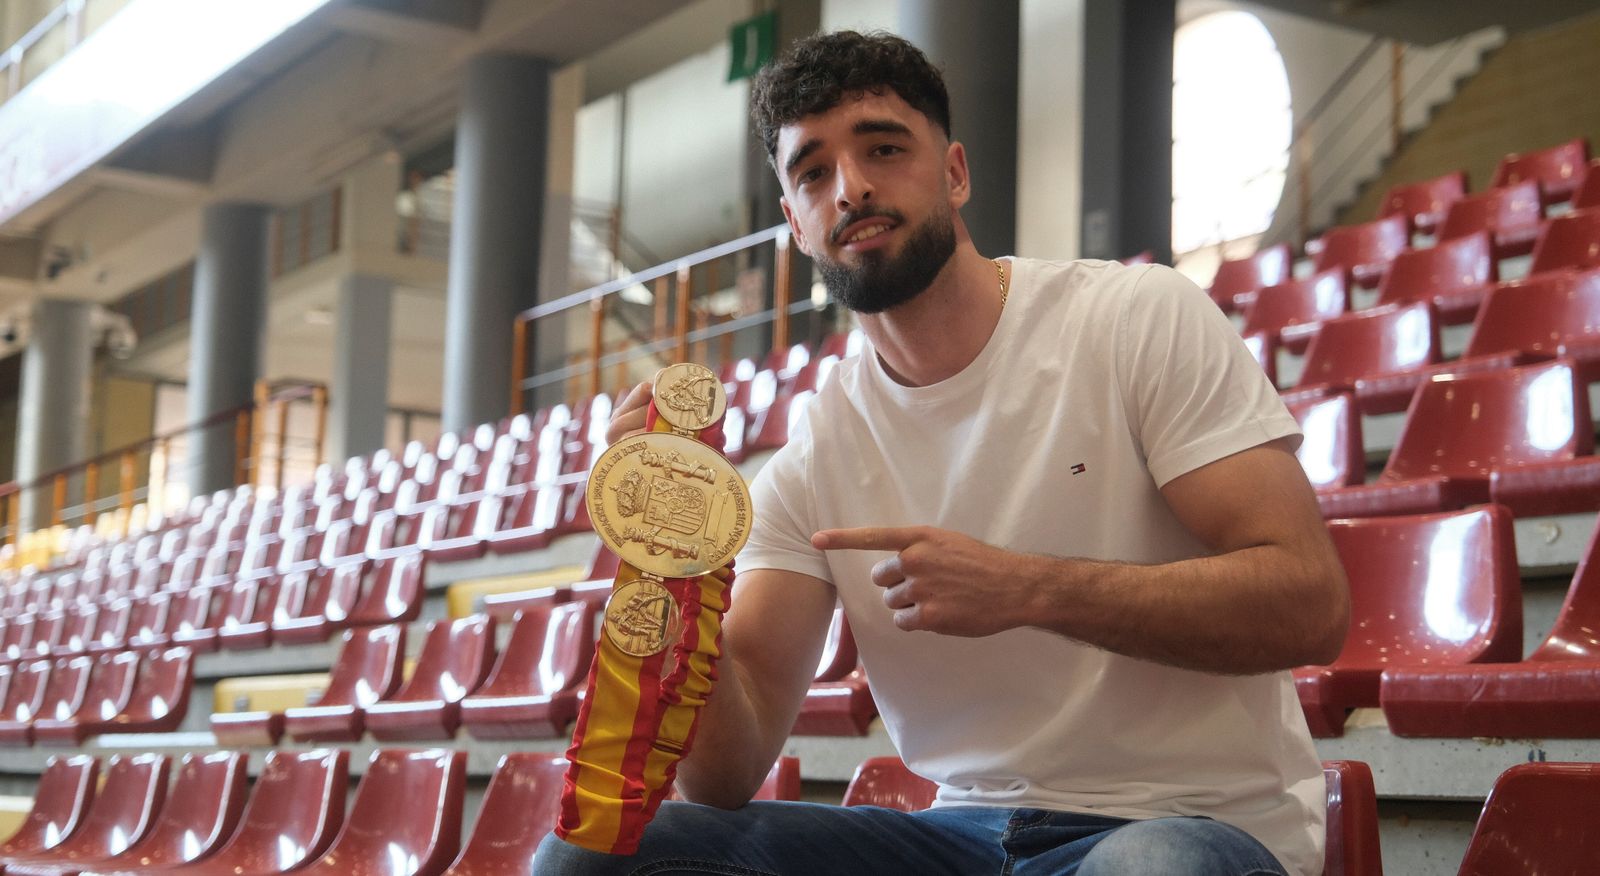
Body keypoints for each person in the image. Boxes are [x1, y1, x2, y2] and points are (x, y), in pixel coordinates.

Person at [537, 30, 1349, 876]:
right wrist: (670, 575)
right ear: (796, 226)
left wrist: (1031, 587)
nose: (850, 187)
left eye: (883, 149)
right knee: (595, 858)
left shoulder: (1133, 318)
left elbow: (1309, 603)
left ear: (955, 172)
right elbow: (726, 773)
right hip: (958, 838)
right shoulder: (818, 451)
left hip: (1181, 823)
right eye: (813, 172)